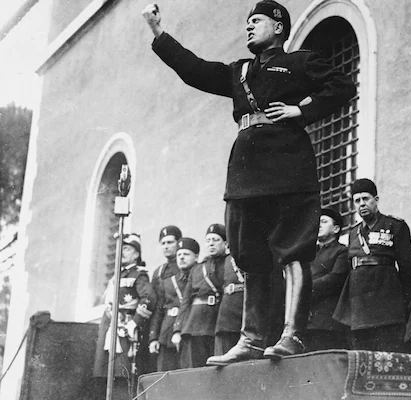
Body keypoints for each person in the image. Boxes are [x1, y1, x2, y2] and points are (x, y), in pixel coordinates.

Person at [142, 1, 356, 364]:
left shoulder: (300, 62)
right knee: (249, 254)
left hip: (288, 166)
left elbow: (342, 85)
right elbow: (195, 70)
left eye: (256, 20)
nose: (249, 26)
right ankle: (252, 339)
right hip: (246, 171)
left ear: (278, 26)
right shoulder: (239, 71)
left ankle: (292, 335)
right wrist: (158, 32)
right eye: (247, 22)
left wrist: (302, 110)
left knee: (293, 249)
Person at [334, 178, 411, 352]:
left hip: (386, 301)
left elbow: (409, 268)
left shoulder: (395, 226)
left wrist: (401, 303)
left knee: (388, 354)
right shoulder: (353, 233)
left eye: (366, 199)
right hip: (359, 303)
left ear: (376, 200)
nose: (362, 204)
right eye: (357, 201)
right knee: (361, 355)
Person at [93, 233, 156, 397]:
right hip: (109, 328)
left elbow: (148, 298)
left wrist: (134, 323)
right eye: (121, 248)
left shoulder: (139, 275)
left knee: (123, 375)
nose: (122, 252)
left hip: (125, 331)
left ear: (136, 254)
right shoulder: (116, 276)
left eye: (127, 249)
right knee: (106, 374)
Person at [305, 208, 349, 352]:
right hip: (306, 320)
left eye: (324, 221)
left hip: (327, 321)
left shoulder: (342, 251)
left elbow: (335, 279)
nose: (319, 225)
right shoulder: (309, 254)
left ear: (336, 229)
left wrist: (303, 289)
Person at [172, 237, 219, 368]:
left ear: (196, 256)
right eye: (179, 254)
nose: (182, 257)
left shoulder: (213, 265)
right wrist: (177, 330)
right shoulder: (196, 271)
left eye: (186, 254)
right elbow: (185, 302)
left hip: (214, 319)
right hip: (194, 324)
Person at [202, 224, 245, 356]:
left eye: (215, 240)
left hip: (244, 308)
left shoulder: (241, 255)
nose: (211, 244)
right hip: (226, 313)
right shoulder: (218, 262)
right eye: (208, 240)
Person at [148, 225, 182, 371]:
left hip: (184, 325)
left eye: (170, 242)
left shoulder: (189, 266)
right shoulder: (159, 273)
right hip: (166, 329)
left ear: (179, 243)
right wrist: (153, 337)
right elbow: (158, 307)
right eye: (163, 243)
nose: (166, 246)